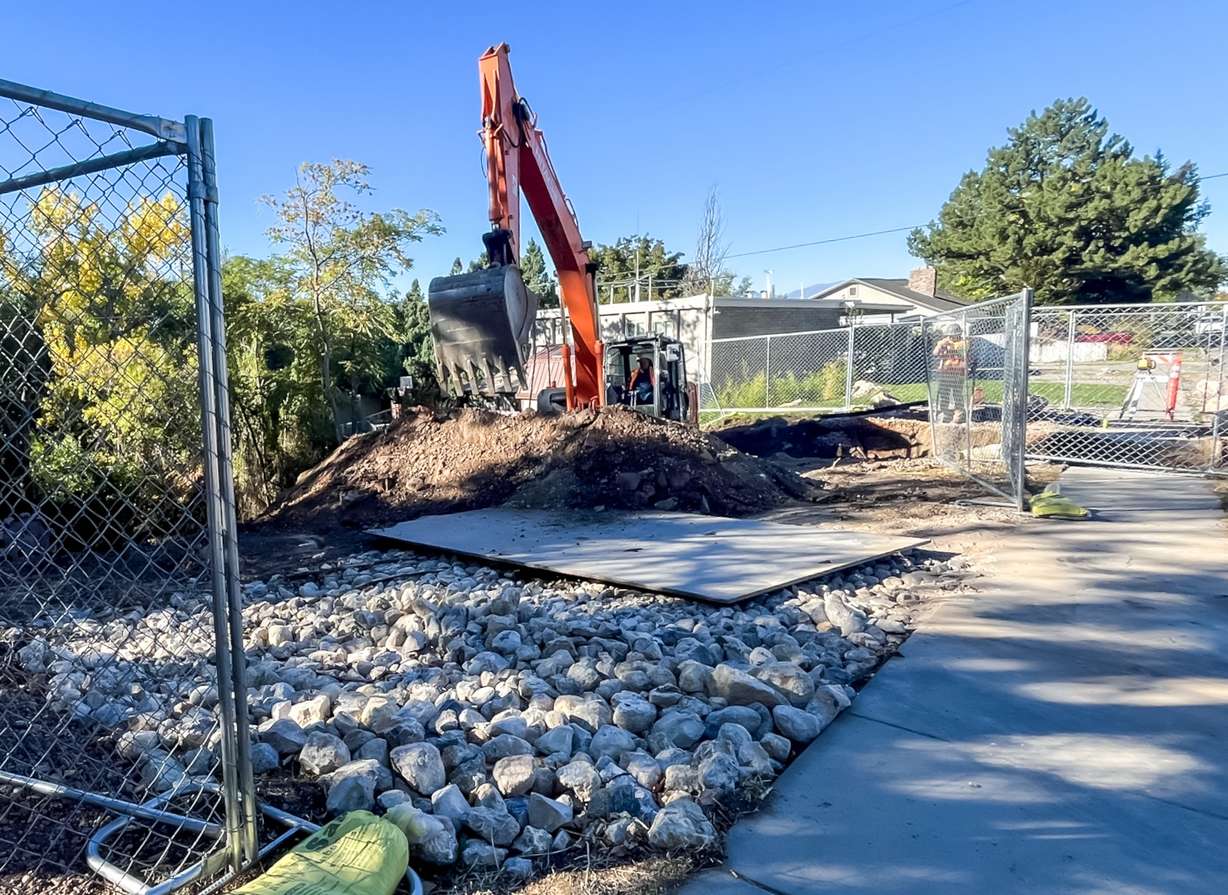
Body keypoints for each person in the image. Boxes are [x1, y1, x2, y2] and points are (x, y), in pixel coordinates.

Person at [932, 322, 967, 422]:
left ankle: (959, 414)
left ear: (959, 335)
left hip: (957, 373)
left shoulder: (964, 343)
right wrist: (940, 345)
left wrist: (949, 346)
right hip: (945, 373)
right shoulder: (944, 342)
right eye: (949, 336)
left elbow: (958, 351)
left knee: (957, 394)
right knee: (944, 394)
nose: (950, 338)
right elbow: (935, 353)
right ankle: (945, 413)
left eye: (953, 336)